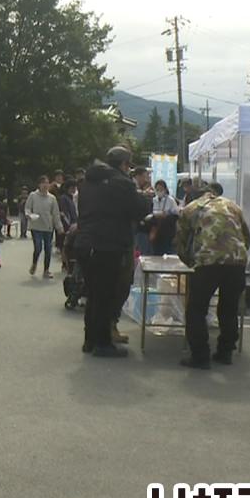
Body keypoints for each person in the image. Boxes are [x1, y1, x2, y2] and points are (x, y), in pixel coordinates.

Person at [74, 146, 151, 357]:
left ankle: (90, 340)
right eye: (129, 164)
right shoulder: (122, 182)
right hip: (107, 244)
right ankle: (102, 344)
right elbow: (139, 209)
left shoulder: (87, 182)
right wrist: (145, 197)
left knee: (93, 295)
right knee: (105, 295)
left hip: (84, 242)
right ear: (123, 164)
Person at [175, 182, 250, 368]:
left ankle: (200, 356)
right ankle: (225, 352)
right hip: (236, 262)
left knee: (196, 309)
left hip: (208, 263)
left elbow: (180, 241)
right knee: (229, 308)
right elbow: (246, 237)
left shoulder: (190, 209)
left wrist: (191, 263)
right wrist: (237, 257)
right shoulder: (233, 206)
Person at [25, 176, 61, 278]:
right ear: (39, 185)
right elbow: (27, 208)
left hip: (48, 227)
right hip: (35, 226)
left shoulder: (52, 198)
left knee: (48, 249)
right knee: (38, 247)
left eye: (47, 183)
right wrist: (28, 215)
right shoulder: (33, 195)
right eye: (43, 183)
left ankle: (46, 270)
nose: (45, 185)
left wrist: (59, 226)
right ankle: (34, 263)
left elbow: (56, 214)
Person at [148, 180, 180, 256]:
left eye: (161, 189)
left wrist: (167, 215)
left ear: (165, 189)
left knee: (169, 253)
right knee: (157, 253)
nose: (159, 191)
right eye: (157, 189)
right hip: (157, 230)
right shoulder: (153, 200)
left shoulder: (170, 200)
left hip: (168, 230)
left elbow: (176, 214)